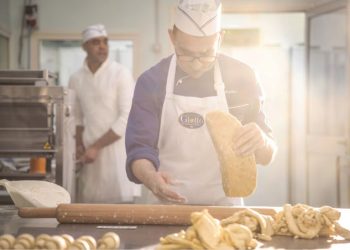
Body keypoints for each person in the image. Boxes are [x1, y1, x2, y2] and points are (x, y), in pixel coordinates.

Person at [125, 0, 277, 206]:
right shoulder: (151, 82)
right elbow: (139, 150)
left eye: (206, 54)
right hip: (165, 207)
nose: (196, 64)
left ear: (220, 39)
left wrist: (262, 141)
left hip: (225, 209)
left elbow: (267, 154)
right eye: (186, 53)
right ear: (172, 37)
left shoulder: (243, 77)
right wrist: (151, 178)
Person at [69, 24, 138, 203]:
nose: (102, 46)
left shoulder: (120, 74)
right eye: (95, 42)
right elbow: (76, 116)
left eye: (105, 42)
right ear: (84, 46)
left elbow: (126, 118)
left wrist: (96, 147)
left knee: (119, 212)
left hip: (115, 155)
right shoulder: (76, 78)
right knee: (89, 210)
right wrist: (77, 143)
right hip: (89, 160)